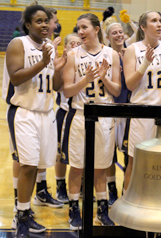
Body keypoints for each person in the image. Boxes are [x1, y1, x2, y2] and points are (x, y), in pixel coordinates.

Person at [4, 3, 66, 237]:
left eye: (46, 21)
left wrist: (57, 68)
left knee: (38, 165)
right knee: (28, 166)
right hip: (24, 113)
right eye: (38, 21)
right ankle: (19, 217)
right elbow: (17, 78)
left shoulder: (49, 46)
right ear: (28, 24)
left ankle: (26, 211)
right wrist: (42, 62)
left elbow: (56, 86)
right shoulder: (18, 44)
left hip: (45, 113)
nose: (43, 25)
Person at [63, 13, 121, 230]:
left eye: (84, 27)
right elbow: (68, 91)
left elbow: (117, 90)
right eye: (78, 28)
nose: (80, 32)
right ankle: (73, 209)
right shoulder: (73, 55)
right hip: (80, 115)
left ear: (96, 29)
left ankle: (102, 210)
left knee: (101, 168)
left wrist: (104, 77)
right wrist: (86, 80)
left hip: (104, 116)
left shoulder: (112, 54)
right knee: (77, 167)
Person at [122, 11, 161, 191]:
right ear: (143, 27)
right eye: (153, 21)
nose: (158, 24)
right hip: (142, 113)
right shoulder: (133, 49)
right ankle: (128, 207)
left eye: (160, 21)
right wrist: (144, 64)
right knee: (135, 164)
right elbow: (130, 85)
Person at [105, 21, 132, 201]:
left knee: (129, 155)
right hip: (109, 108)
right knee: (108, 155)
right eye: (114, 33)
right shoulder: (105, 55)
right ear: (107, 37)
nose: (118, 35)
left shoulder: (132, 52)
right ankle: (111, 189)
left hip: (128, 109)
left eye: (121, 32)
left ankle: (127, 191)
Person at [55, 33, 81, 204]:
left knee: (80, 155)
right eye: (72, 43)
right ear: (65, 46)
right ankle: (60, 184)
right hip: (65, 112)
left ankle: (80, 187)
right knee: (61, 153)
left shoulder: (83, 60)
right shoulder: (63, 62)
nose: (75, 46)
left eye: (78, 44)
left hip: (79, 113)